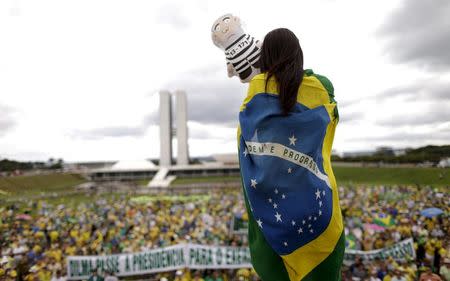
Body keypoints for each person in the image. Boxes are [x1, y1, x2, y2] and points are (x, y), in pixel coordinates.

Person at [238, 28, 343, 281]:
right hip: (320, 221)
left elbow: (243, 137)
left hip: (272, 228)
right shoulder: (321, 87)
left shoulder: (255, 93)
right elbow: (332, 116)